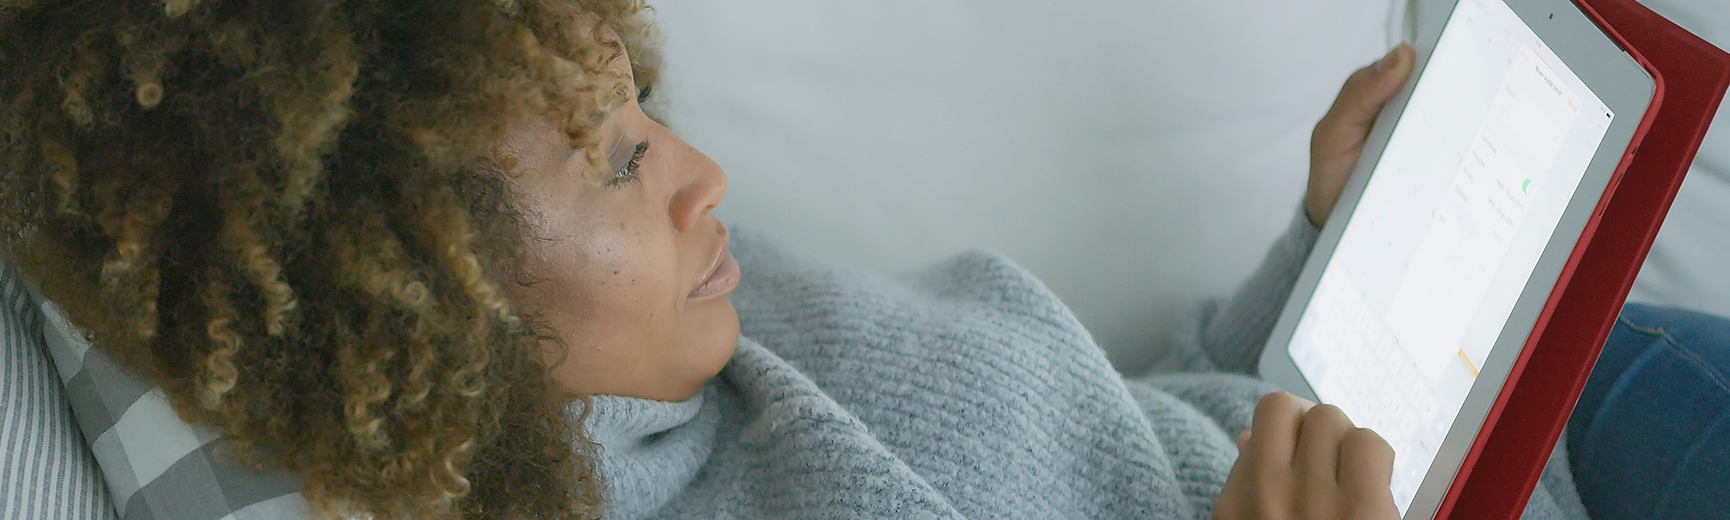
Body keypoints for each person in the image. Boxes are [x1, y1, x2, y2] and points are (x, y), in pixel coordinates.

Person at [0, 1, 1723, 519]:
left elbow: (1119, 424)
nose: (701, 177)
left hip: (1380, 410)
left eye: (647, 114)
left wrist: (1311, 247)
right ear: (428, 302)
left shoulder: (696, 324)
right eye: (621, 161)